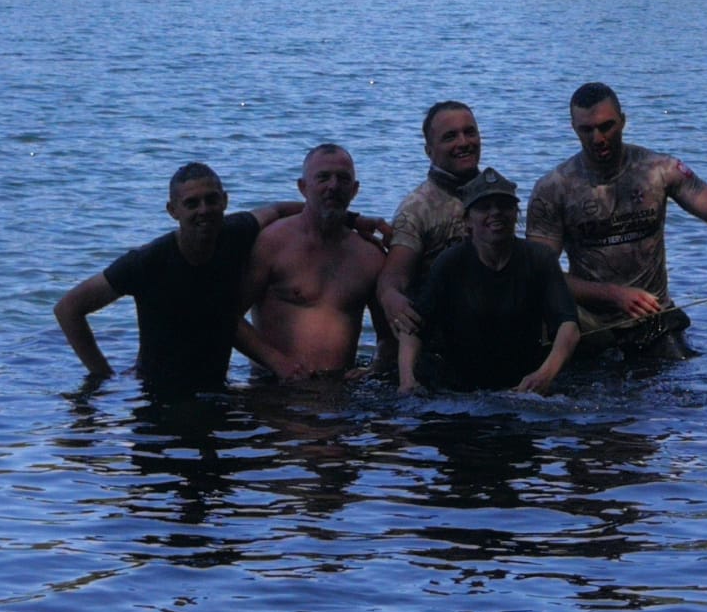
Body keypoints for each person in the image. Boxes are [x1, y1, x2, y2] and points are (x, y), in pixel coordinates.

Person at [526, 82, 707, 360]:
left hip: (653, 318)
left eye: (606, 127)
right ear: (573, 128)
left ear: (623, 121)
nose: (598, 138)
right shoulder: (553, 189)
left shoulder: (659, 170)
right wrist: (613, 294)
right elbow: (540, 274)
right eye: (587, 130)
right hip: (590, 322)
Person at [54, 163, 310, 396]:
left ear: (225, 200)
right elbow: (68, 308)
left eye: (211, 200)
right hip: (156, 391)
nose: (204, 210)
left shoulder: (237, 231)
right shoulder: (147, 262)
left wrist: (334, 217)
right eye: (192, 204)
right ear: (173, 210)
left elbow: (278, 210)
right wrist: (103, 374)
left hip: (216, 386)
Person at [398, 168, 580, 396]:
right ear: (467, 220)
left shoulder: (539, 259)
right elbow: (413, 327)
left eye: (504, 205)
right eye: (484, 207)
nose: (496, 213)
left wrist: (545, 374)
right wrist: (407, 380)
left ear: (516, 213)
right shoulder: (450, 263)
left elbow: (568, 326)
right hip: (460, 387)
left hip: (522, 384)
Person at [243, 143, 392, 380]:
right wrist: (277, 362)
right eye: (323, 177)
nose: (333, 186)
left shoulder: (369, 256)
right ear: (303, 187)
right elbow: (228, 317)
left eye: (343, 178)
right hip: (272, 384)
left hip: (340, 387)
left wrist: (375, 368)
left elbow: (388, 336)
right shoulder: (270, 244)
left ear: (354, 190)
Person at [376, 100, 482, 337]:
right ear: (429, 151)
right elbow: (393, 278)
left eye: (470, 132)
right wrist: (391, 297)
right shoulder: (416, 209)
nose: (463, 142)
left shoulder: (497, 196)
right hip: (442, 332)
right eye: (450, 137)